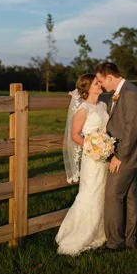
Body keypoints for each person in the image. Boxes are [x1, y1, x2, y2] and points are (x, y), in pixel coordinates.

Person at [96, 61, 137, 251]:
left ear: (110, 77)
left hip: (126, 154)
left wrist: (119, 156)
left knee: (112, 196)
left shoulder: (129, 94)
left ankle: (114, 243)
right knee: (130, 196)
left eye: (102, 81)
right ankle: (130, 240)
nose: (101, 85)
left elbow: (131, 130)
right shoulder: (118, 93)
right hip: (126, 153)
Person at [55, 74, 109, 255]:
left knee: (102, 193)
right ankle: (80, 234)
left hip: (104, 157)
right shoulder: (83, 109)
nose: (100, 85)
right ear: (87, 89)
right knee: (90, 193)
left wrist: (105, 146)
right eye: (96, 83)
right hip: (91, 157)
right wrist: (93, 147)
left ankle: (100, 232)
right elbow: (75, 135)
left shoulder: (103, 105)